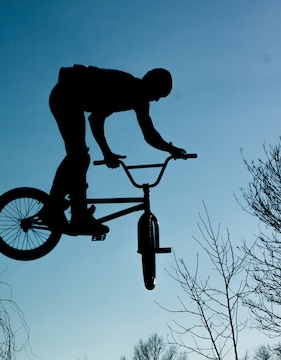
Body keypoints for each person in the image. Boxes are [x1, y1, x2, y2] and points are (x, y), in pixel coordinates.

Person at [42, 64, 187, 236]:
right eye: (158, 94)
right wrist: (106, 153)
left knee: (79, 157)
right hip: (66, 97)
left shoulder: (138, 99)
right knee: (79, 156)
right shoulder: (126, 87)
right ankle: (61, 211)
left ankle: (67, 210)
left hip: (71, 99)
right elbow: (95, 120)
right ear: (152, 85)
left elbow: (149, 135)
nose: (156, 100)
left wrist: (170, 149)